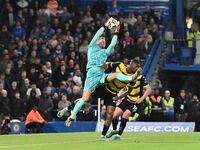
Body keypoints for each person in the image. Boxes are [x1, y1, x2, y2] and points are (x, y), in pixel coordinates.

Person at [57, 18, 138, 127]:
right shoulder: (92, 47)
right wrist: (105, 26)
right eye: (101, 38)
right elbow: (97, 34)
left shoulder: (105, 52)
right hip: (91, 75)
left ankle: (131, 78)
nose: (103, 39)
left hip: (101, 75)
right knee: (85, 99)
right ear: (97, 41)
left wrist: (116, 31)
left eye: (104, 39)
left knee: (115, 75)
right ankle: (72, 115)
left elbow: (113, 44)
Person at [93, 57, 141, 139]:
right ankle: (70, 108)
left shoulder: (133, 79)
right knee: (86, 99)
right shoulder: (120, 65)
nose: (137, 69)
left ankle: (103, 135)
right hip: (104, 88)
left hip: (112, 94)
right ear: (131, 65)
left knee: (110, 115)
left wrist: (118, 97)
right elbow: (107, 65)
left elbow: (129, 91)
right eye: (136, 67)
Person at [106, 71, 151, 140]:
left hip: (135, 102)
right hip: (127, 99)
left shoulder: (141, 78)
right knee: (114, 115)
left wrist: (141, 99)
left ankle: (118, 135)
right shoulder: (128, 78)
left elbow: (148, 90)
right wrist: (118, 97)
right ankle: (114, 130)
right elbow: (125, 90)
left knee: (125, 115)